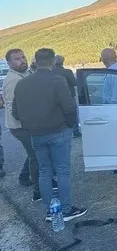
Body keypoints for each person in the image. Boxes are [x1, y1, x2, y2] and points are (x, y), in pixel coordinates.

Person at [12, 48, 87, 222]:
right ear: (52, 61)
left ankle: (50, 211)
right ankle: (66, 210)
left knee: (44, 171)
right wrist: (69, 125)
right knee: (62, 171)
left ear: (36, 62)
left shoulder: (22, 84)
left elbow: (15, 111)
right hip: (58, 131)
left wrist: (29, 125)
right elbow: (69, 108)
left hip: (36, 134)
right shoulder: (57, 80)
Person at [2, 48, 40, 197]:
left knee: (33, 150)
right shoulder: (13, 81)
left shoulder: (25, 74)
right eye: (17, 59)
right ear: (9, 63)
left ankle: (24, 177)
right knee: (36, 155)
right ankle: (39, 189)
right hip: (20, 126)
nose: (22, 60)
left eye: (23, 57)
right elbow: (14, 109)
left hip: (27, 123)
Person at [53, 55, 81, 137]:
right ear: (62, 62)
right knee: (72, 113)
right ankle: (75, 131)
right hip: (68, 96)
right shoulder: (67, 72)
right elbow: (74, 83)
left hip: (55, 97)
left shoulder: (51, 72)